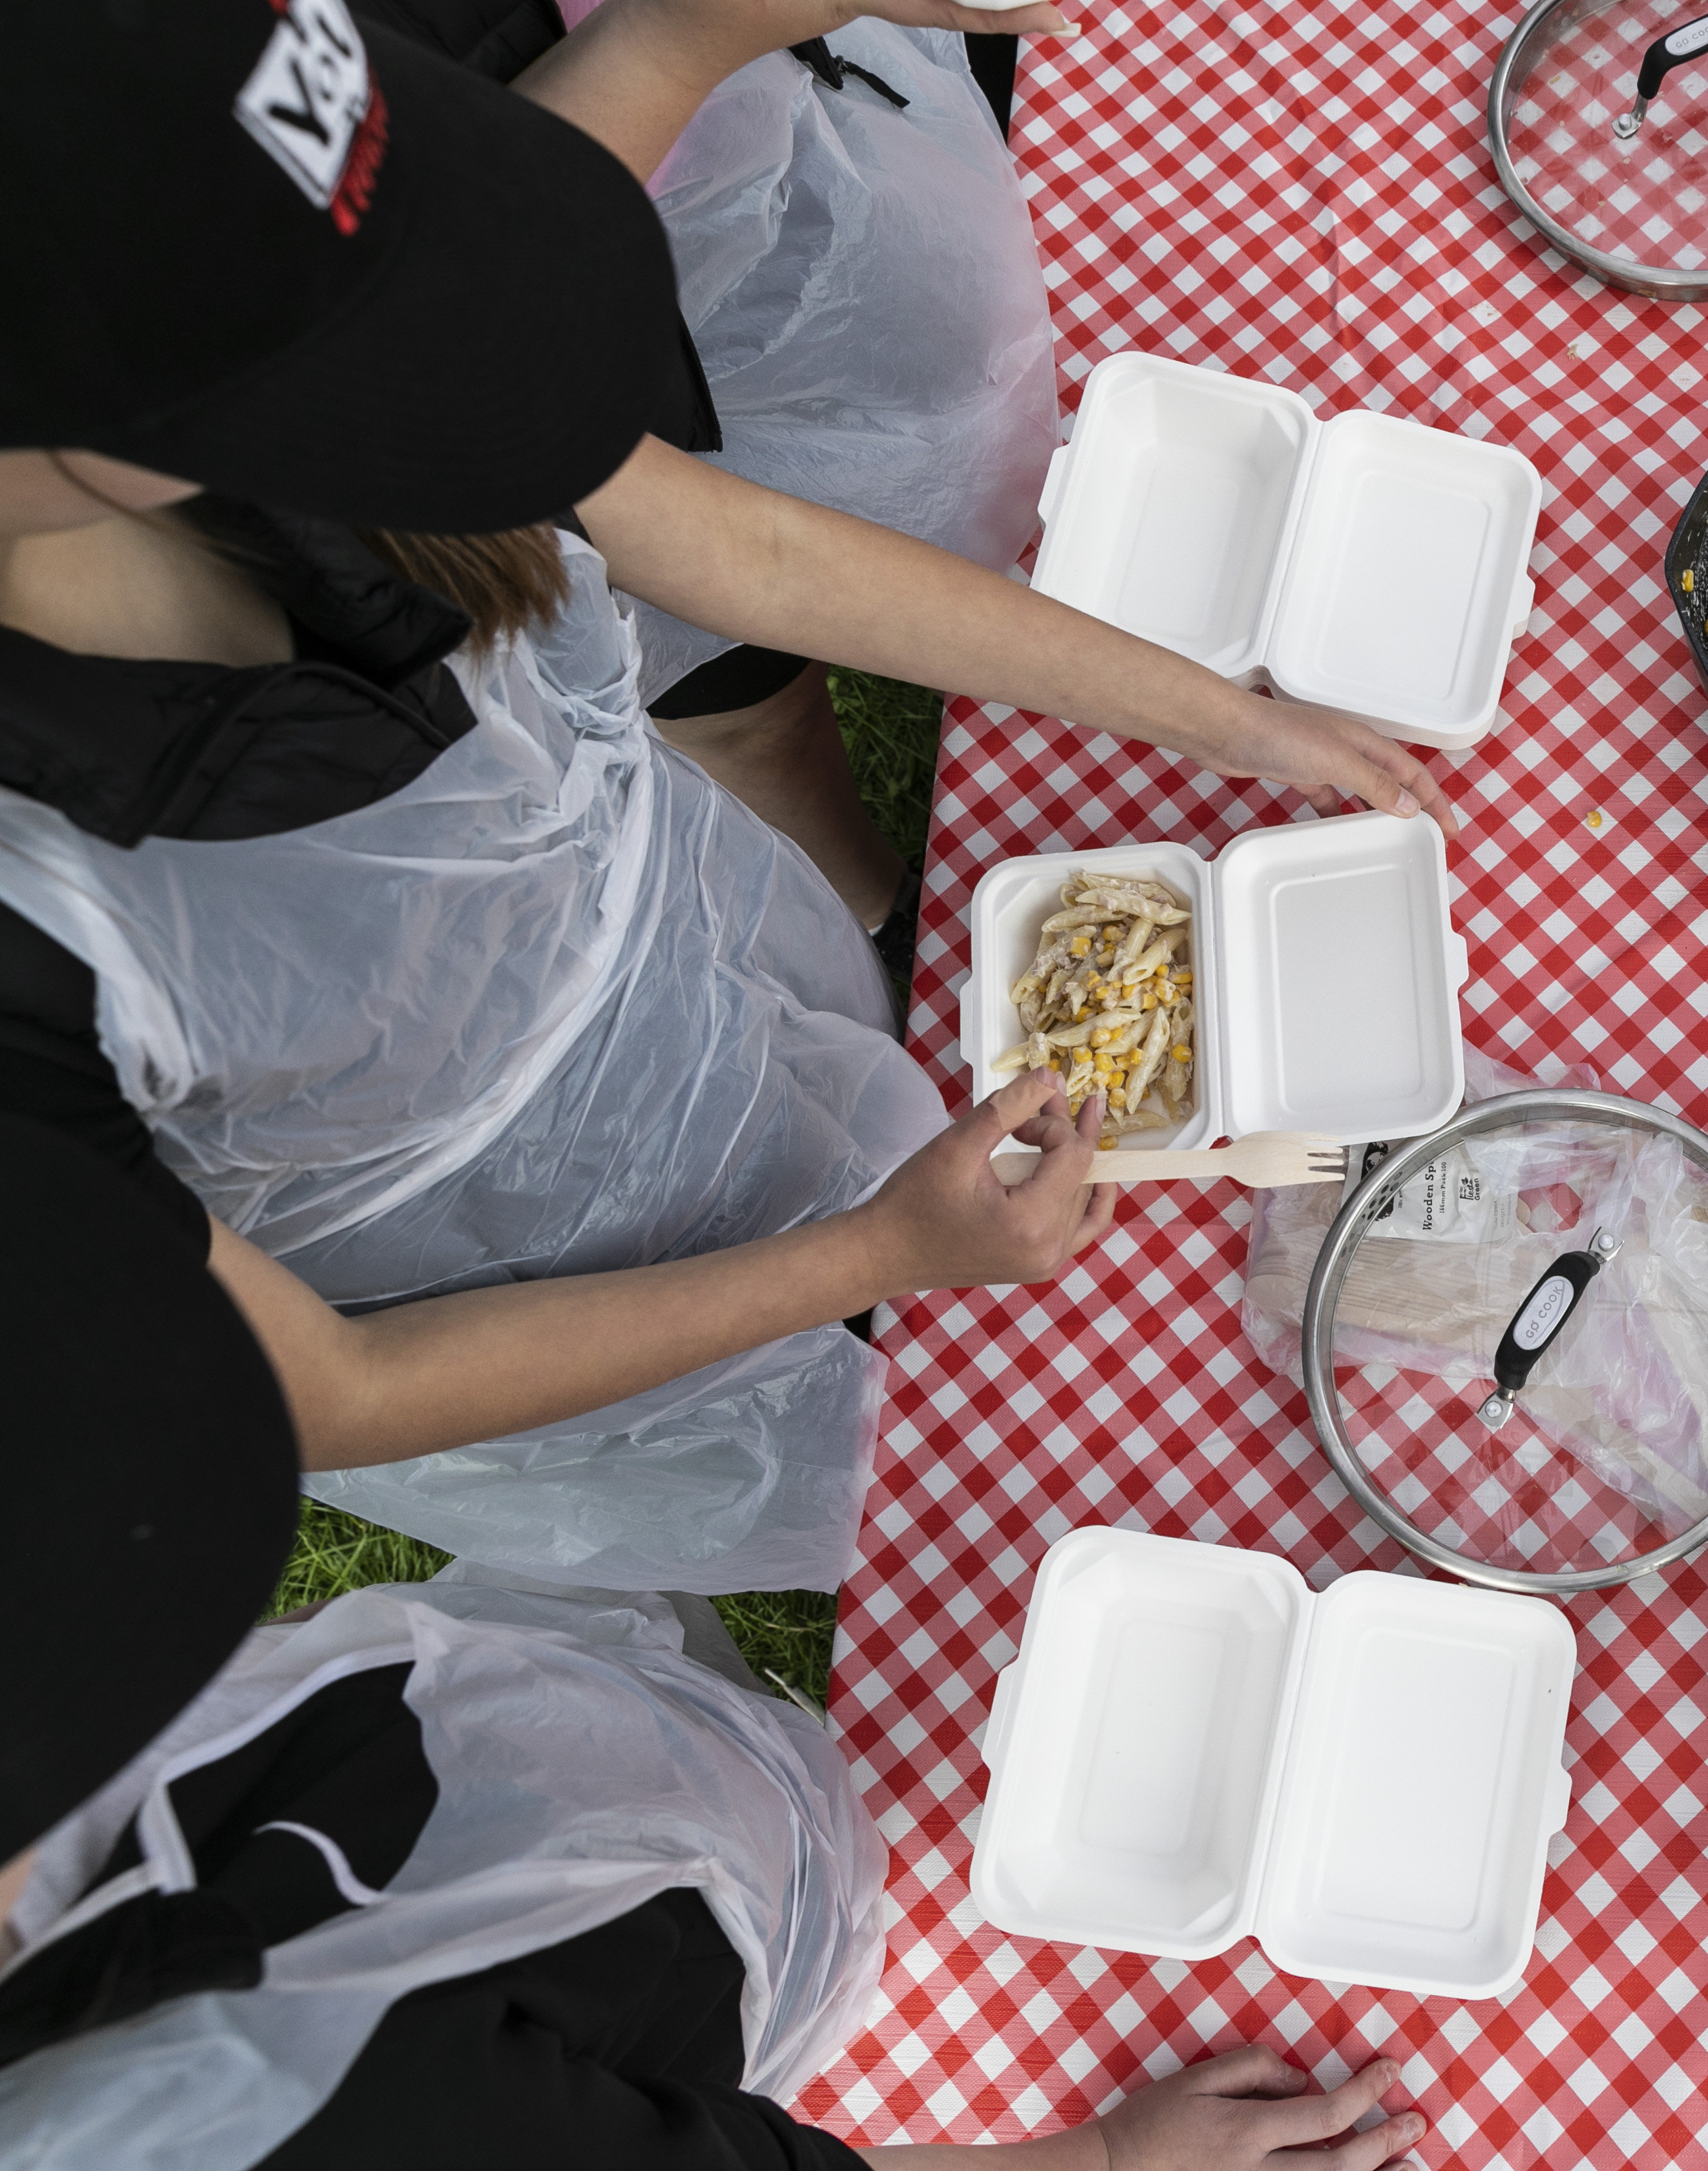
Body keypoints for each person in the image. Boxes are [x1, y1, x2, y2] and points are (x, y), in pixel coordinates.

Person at [1, 6, 1445, 1593]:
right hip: (492, 1244)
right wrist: (874, 1256)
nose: (422, 346)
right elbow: (336, 1392)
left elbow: (736, 551)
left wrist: (1215, 713)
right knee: (822, 1436)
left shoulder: (248, 343)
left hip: (688, 915)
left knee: (831, 1067)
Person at [0, 1131, 1431, 2171]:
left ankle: (699, 1728)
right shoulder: (273, 2118)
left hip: (483, 1775)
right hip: (651, 1969)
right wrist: (1103, 2166)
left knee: (610, 1719)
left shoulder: (112, 1750)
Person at [375, 0, 1080, 936]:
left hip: (726, 144)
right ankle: (871, 915)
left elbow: (763, 558)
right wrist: (679, 38)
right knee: (736, 695)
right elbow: (751, 559)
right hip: (552, 292)